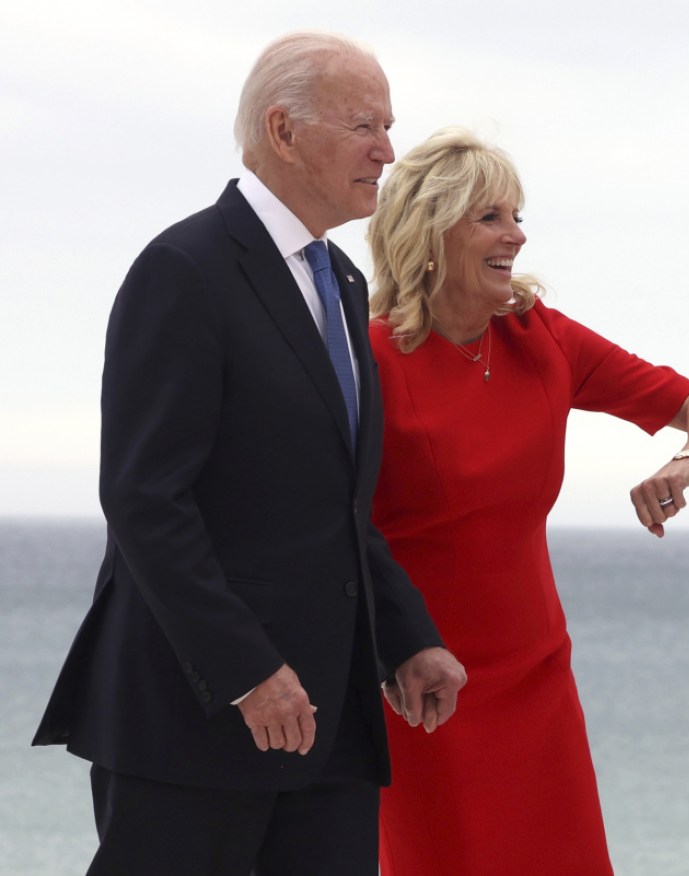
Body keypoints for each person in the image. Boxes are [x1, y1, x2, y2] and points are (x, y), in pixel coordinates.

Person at [32, 31, 467, 875]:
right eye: (364, 126)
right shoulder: (182, 270)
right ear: (283, 130)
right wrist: (247, 672)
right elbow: (146, 501)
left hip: (328, 722)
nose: (387, 150)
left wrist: (408, 638)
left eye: (389, 126)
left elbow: (340, 503)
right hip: (194, 719)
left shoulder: (342, 281)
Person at [365, 127, 689, 874]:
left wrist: (684, 464)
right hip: (419, 685)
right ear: (430, 233)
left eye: (518, 216)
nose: (517, 236)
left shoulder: (541, 340)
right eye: (491, 218)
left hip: (536, 679)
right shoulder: (368, 358)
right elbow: (327, 523)